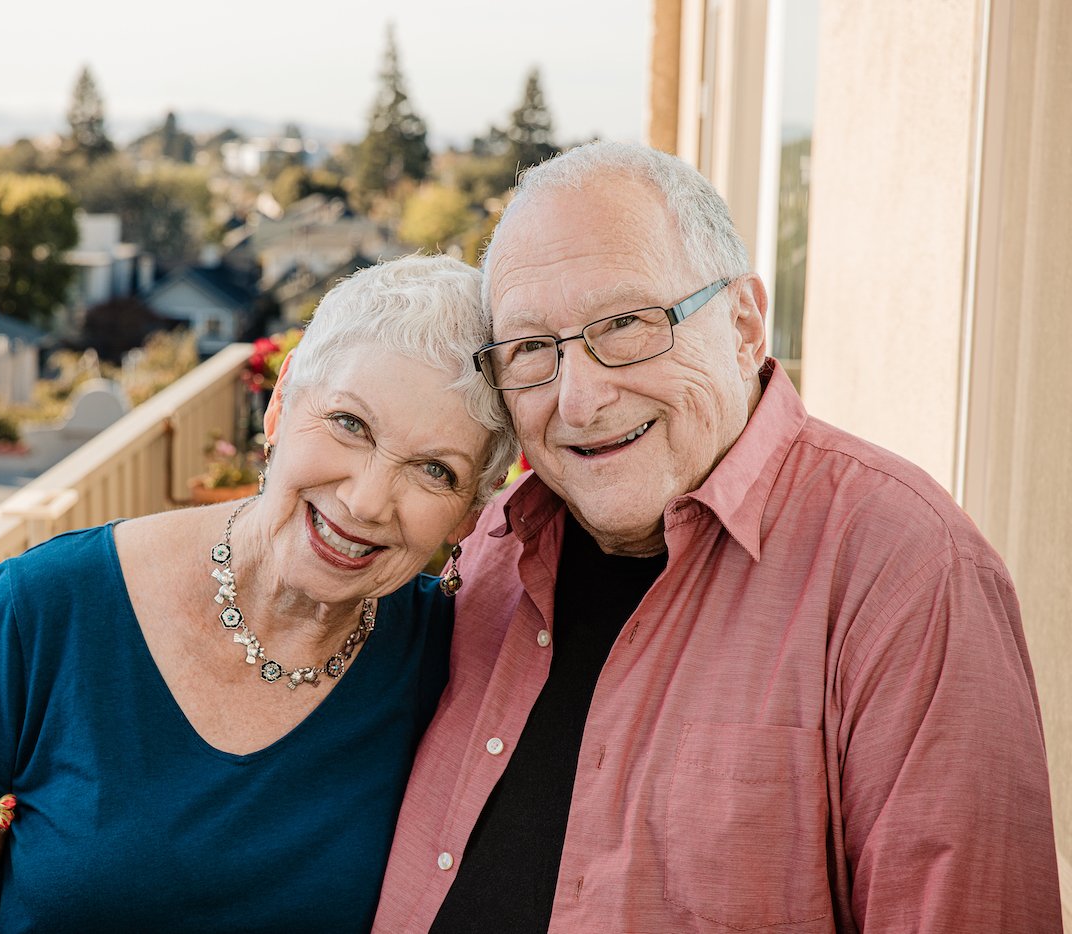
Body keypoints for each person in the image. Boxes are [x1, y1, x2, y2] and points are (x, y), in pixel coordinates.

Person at [372, 142, 1062, 933]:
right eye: (532, 349)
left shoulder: (906, 571)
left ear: (742, 326)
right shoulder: (495, 547)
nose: (580, 399)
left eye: (626, 324)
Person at [0, 254, 518, 933]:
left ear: (470, 512)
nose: (365, 500)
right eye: (350, 424)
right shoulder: (45, 609)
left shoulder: (452, 666)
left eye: (433, 471)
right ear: (280, 404)